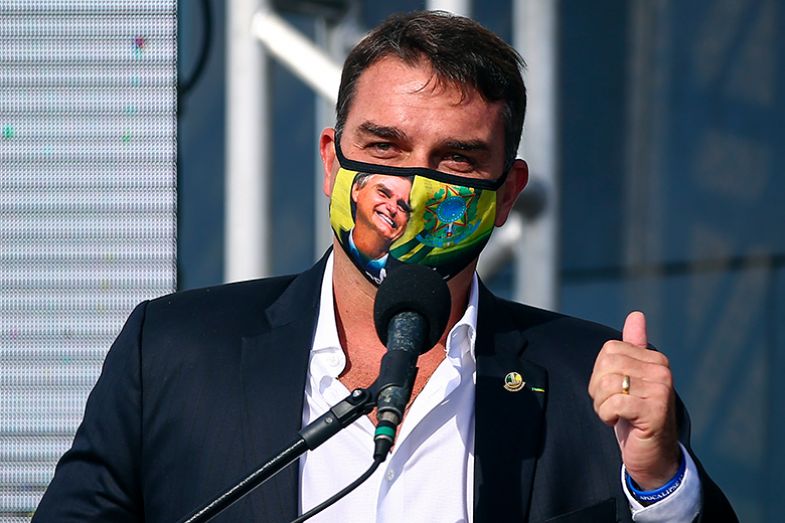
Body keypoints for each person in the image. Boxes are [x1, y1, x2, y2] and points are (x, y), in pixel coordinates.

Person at [33, 10, 737, 523]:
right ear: (330, 160)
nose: (411, 189)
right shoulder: (171, 352)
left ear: (506, 193)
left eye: (456, 160)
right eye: (384, 148)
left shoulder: (595, 385)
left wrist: (659, 484)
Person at [340, 171, 413, 283]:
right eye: (383, 194)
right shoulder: (337, 250)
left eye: (402, 207)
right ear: (356, 190)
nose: (393, 208)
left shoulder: (409, 279)